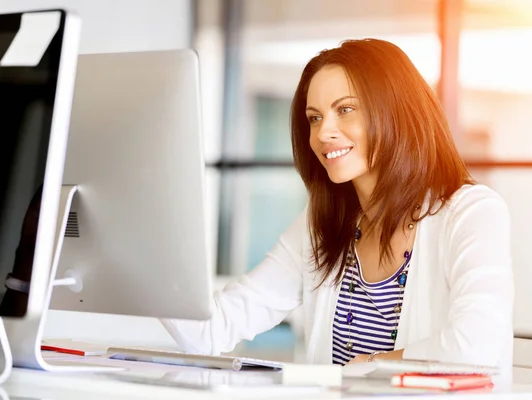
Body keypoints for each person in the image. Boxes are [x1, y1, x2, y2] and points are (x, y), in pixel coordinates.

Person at [162, 38, 514, 379]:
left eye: (345, 110)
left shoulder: (472, 213)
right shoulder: (321, 225)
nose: (322, 133)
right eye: (314, 118)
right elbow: (212, 330)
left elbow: (475, 346)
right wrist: (142, 252)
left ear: (395, 112)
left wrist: (367, 367)